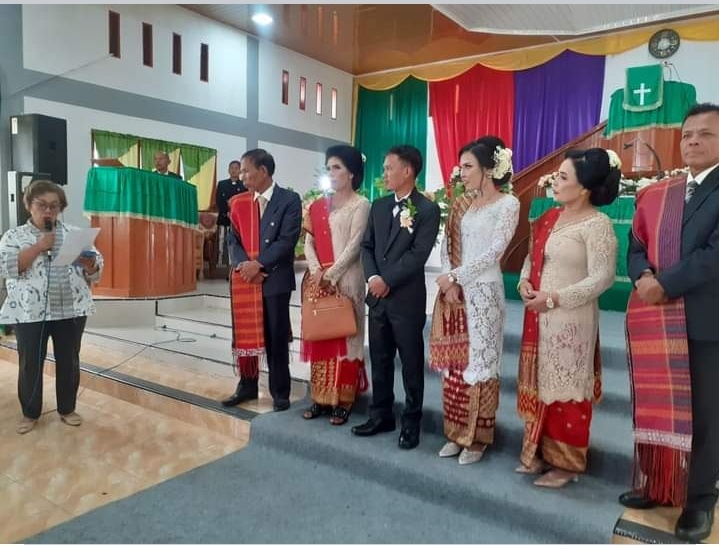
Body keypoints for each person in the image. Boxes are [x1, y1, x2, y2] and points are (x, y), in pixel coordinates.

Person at [620, 103, 719, 543]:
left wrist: (665, 284)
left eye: (706, 134)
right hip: (658, 321)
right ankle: (659, 484)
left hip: (705, 322)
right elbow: (636, 241)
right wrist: (643, 276)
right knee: (658, 406)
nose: (694, 141)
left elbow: (714, 256)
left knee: (705, 417)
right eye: (688, 134)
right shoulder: (662, 192)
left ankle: (699, 501)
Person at [516, 147, 619, 488]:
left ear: (584, 187)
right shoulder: (549, 217)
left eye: (562, 177)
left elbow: (602, 277)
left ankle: (566, 464)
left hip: (571, 322)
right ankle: (537, 452)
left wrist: (556, 298)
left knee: (568, 390)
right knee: (542, 383)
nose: (554, 183)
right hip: (539, 315)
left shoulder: (597, 225)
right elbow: (532, 259)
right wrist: (524, 282)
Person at [429, 136, 519, 465]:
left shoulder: (508, 204)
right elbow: (447, 246)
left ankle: (477, 439)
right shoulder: (462, 204)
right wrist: (449, 279)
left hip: (484, 294)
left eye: (468, 166)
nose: (461, 172)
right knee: (455, 366)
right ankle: (455, 432)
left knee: (481, 364)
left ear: (488, 169)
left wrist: (457, 276)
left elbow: (495, 251)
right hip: (454, 293)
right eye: (461, 166)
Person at [351, 145, 440, 449]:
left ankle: (412, 422)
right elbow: (367, 246)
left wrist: (387, 280)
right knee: (380, 358)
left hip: (406, 300)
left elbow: (418, 255)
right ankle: (381, 415)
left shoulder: (427, 210)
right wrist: (373, 278)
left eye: (389, 168)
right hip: (378, 298)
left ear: (408, 171)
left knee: (411, 363)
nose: (384, 173)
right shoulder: (379, 206)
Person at [0, 180, 104, 434]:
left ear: (61, 208)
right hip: (29, 312)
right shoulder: (14, 236)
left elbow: (96, 268)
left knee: (69, 360)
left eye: (54, 206)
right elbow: (8, 268)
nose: (48, 210)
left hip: (71, 309)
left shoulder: (74, 234)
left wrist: (90, 264)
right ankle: (30, 413)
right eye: (42, 205)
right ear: (29, 205)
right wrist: (39, 246)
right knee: (30, 363)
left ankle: (67, 409)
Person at [220, 148, 302, 412]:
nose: (242, 176)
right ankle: (247, 385)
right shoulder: (239, 202)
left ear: (263, 171)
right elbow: (233, 239)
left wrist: (259, 264)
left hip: (274, 278)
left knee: (275, 335)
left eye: (246, 170)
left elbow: (287, 240)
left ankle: (280, 391)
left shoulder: (289, 199)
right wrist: (244, 265)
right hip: (246, 279)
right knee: (247, 334)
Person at [301, 145, 370, 425]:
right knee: (323, 337)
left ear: (351, 173)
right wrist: (316, 270)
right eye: (329, 168)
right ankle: (320, 397)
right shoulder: (319, 205)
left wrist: (331, 274)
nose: (331, 173)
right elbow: (309, 242)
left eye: (337, 167)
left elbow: (355, 245)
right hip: (319, 280)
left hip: (347, 281)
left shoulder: (361, 205)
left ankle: (344, 400)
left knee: (347, 338)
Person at [215, 160, 248, 272]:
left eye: (236, 168)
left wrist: (235, 214)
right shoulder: (222, 184)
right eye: (232, 168)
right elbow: (219, 200)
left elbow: (244, 202)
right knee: (222, 241)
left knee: (238, 242)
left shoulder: (244, 185)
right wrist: (227, 212)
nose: (234, 170)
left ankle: (236, 266)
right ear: (229, 170)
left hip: (239, 220)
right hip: (224, 217)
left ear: (240, 171)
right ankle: (222, 266)